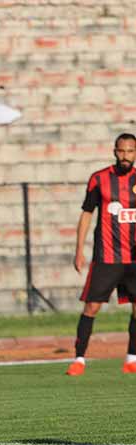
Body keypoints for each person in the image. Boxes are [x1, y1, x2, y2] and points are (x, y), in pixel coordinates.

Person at [67, 132, 136, 376]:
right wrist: (79, 249)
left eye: (130, 151)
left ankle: (131, 359)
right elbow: (87, 213)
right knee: (92, 307)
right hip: (107, 257)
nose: (125, 156)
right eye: (121, 151)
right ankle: (79, 359)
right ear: (114, 151)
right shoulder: (99, 179)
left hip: (135, 259)